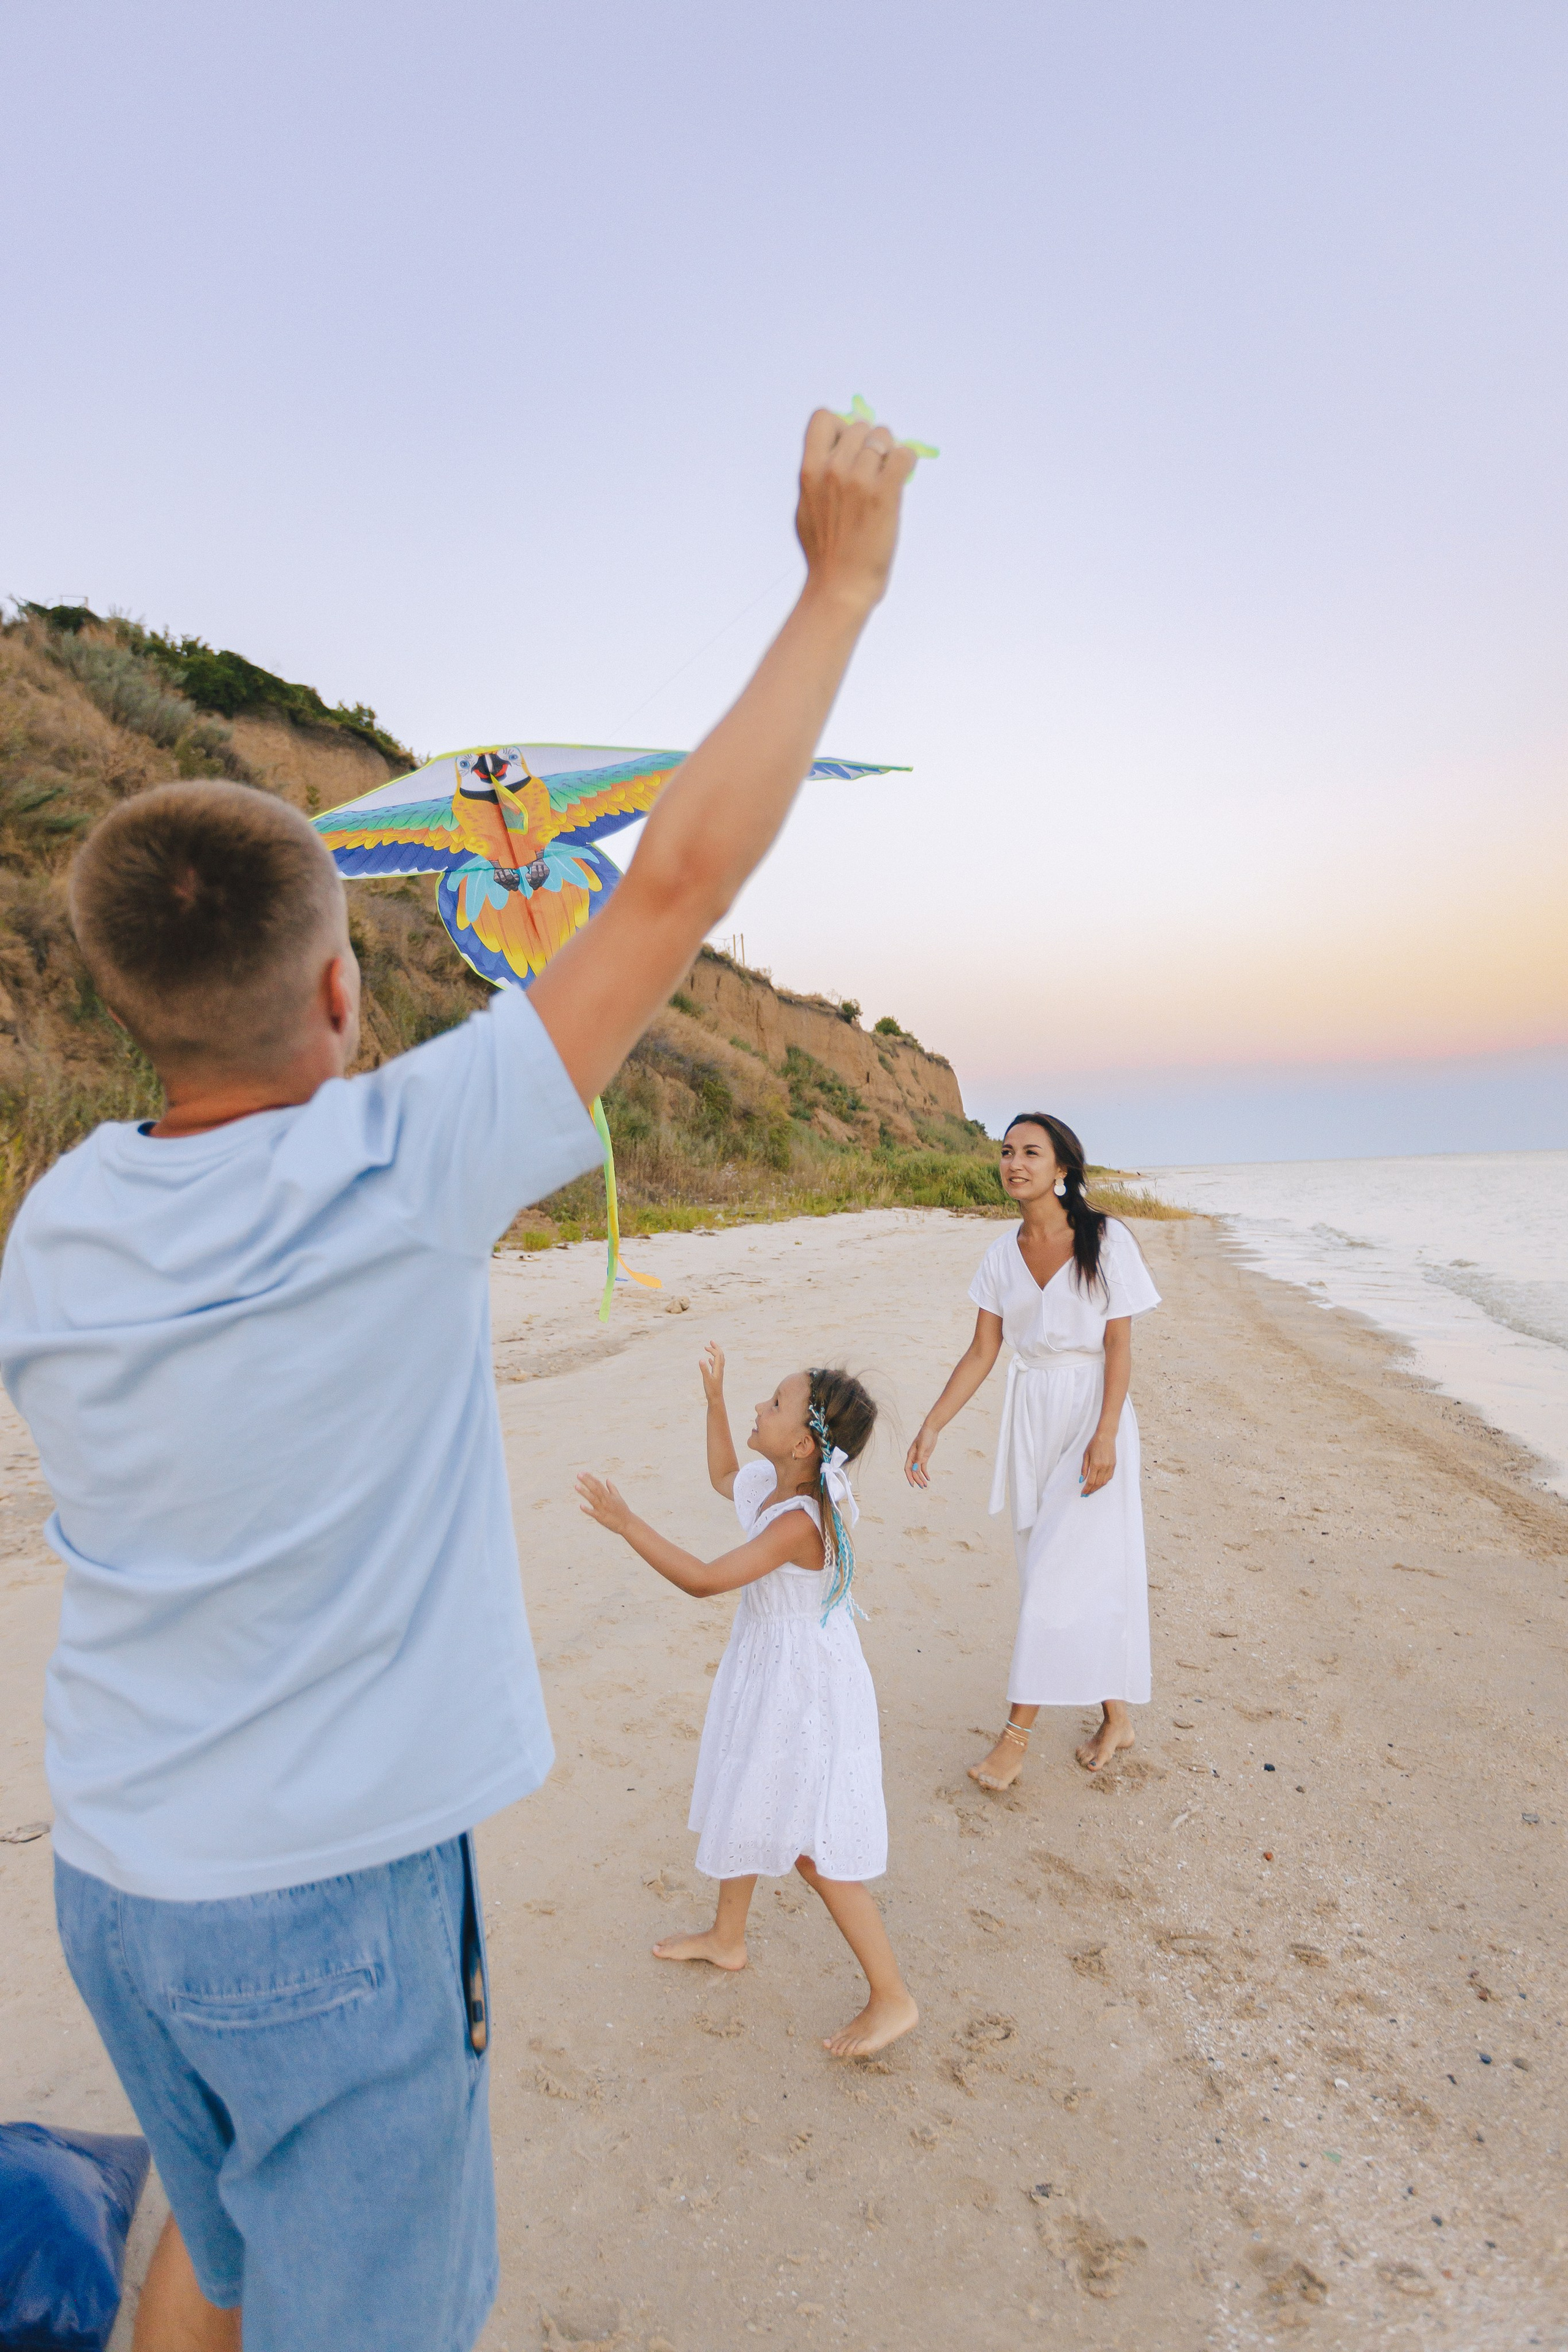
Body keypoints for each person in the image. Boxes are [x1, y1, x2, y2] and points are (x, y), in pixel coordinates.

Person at [0, 410, 918, 2352]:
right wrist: (840, 583)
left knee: (222, 2242)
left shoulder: (61, 1221)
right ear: (341, 993)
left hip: (114, 1880)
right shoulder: (394, 1165)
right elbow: (664, 883)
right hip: (317, 1909)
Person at [575, 1344, 918, 2060]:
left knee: (814, 1849)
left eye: (772, 1403)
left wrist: (627, 1523)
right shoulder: (771, 1479)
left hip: (807, 1688)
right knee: (748, 1787)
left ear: (802, 1443)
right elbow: (724, 1474)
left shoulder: (798, 1522)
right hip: (772, 1668)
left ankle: (892, 1996)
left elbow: (703, 1580)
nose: (757, 1408)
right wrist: (712, 1402)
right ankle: (727, 1938)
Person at [905, 1113, 1160, 1789]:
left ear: (1063, 1168)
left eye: (1031, 1153)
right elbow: (984, 1350)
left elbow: (1119, 1345)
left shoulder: (1106, 1240)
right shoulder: (999, 1254)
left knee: (1055, 1577)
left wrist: (1105, 1431)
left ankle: (1013, 1741)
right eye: (1007, 1152)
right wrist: (933, 1425)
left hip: (1090, 1416)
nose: (1014, 1163)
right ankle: (1117, 1716)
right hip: (1030, 1421)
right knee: (1057, 1570)